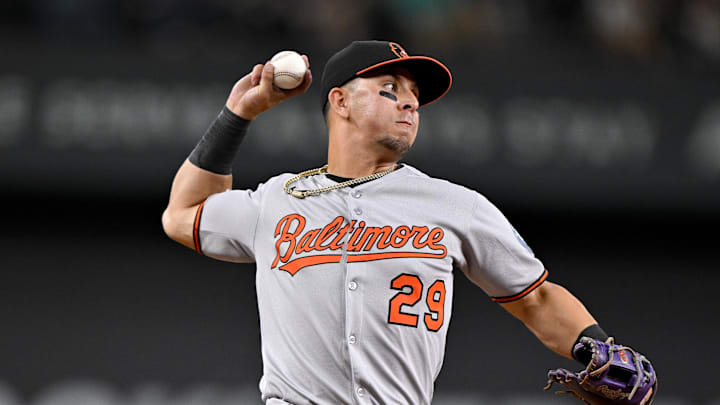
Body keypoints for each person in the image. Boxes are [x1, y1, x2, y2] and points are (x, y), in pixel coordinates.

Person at [161, 41, 647, 405]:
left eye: (414, 94)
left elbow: (536, 297)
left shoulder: (454, 205)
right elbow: (182, 214)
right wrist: (238, 113)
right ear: (341, 102)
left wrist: (597, 348)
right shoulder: (278, 199)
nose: (410, 103)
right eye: (390, 90)